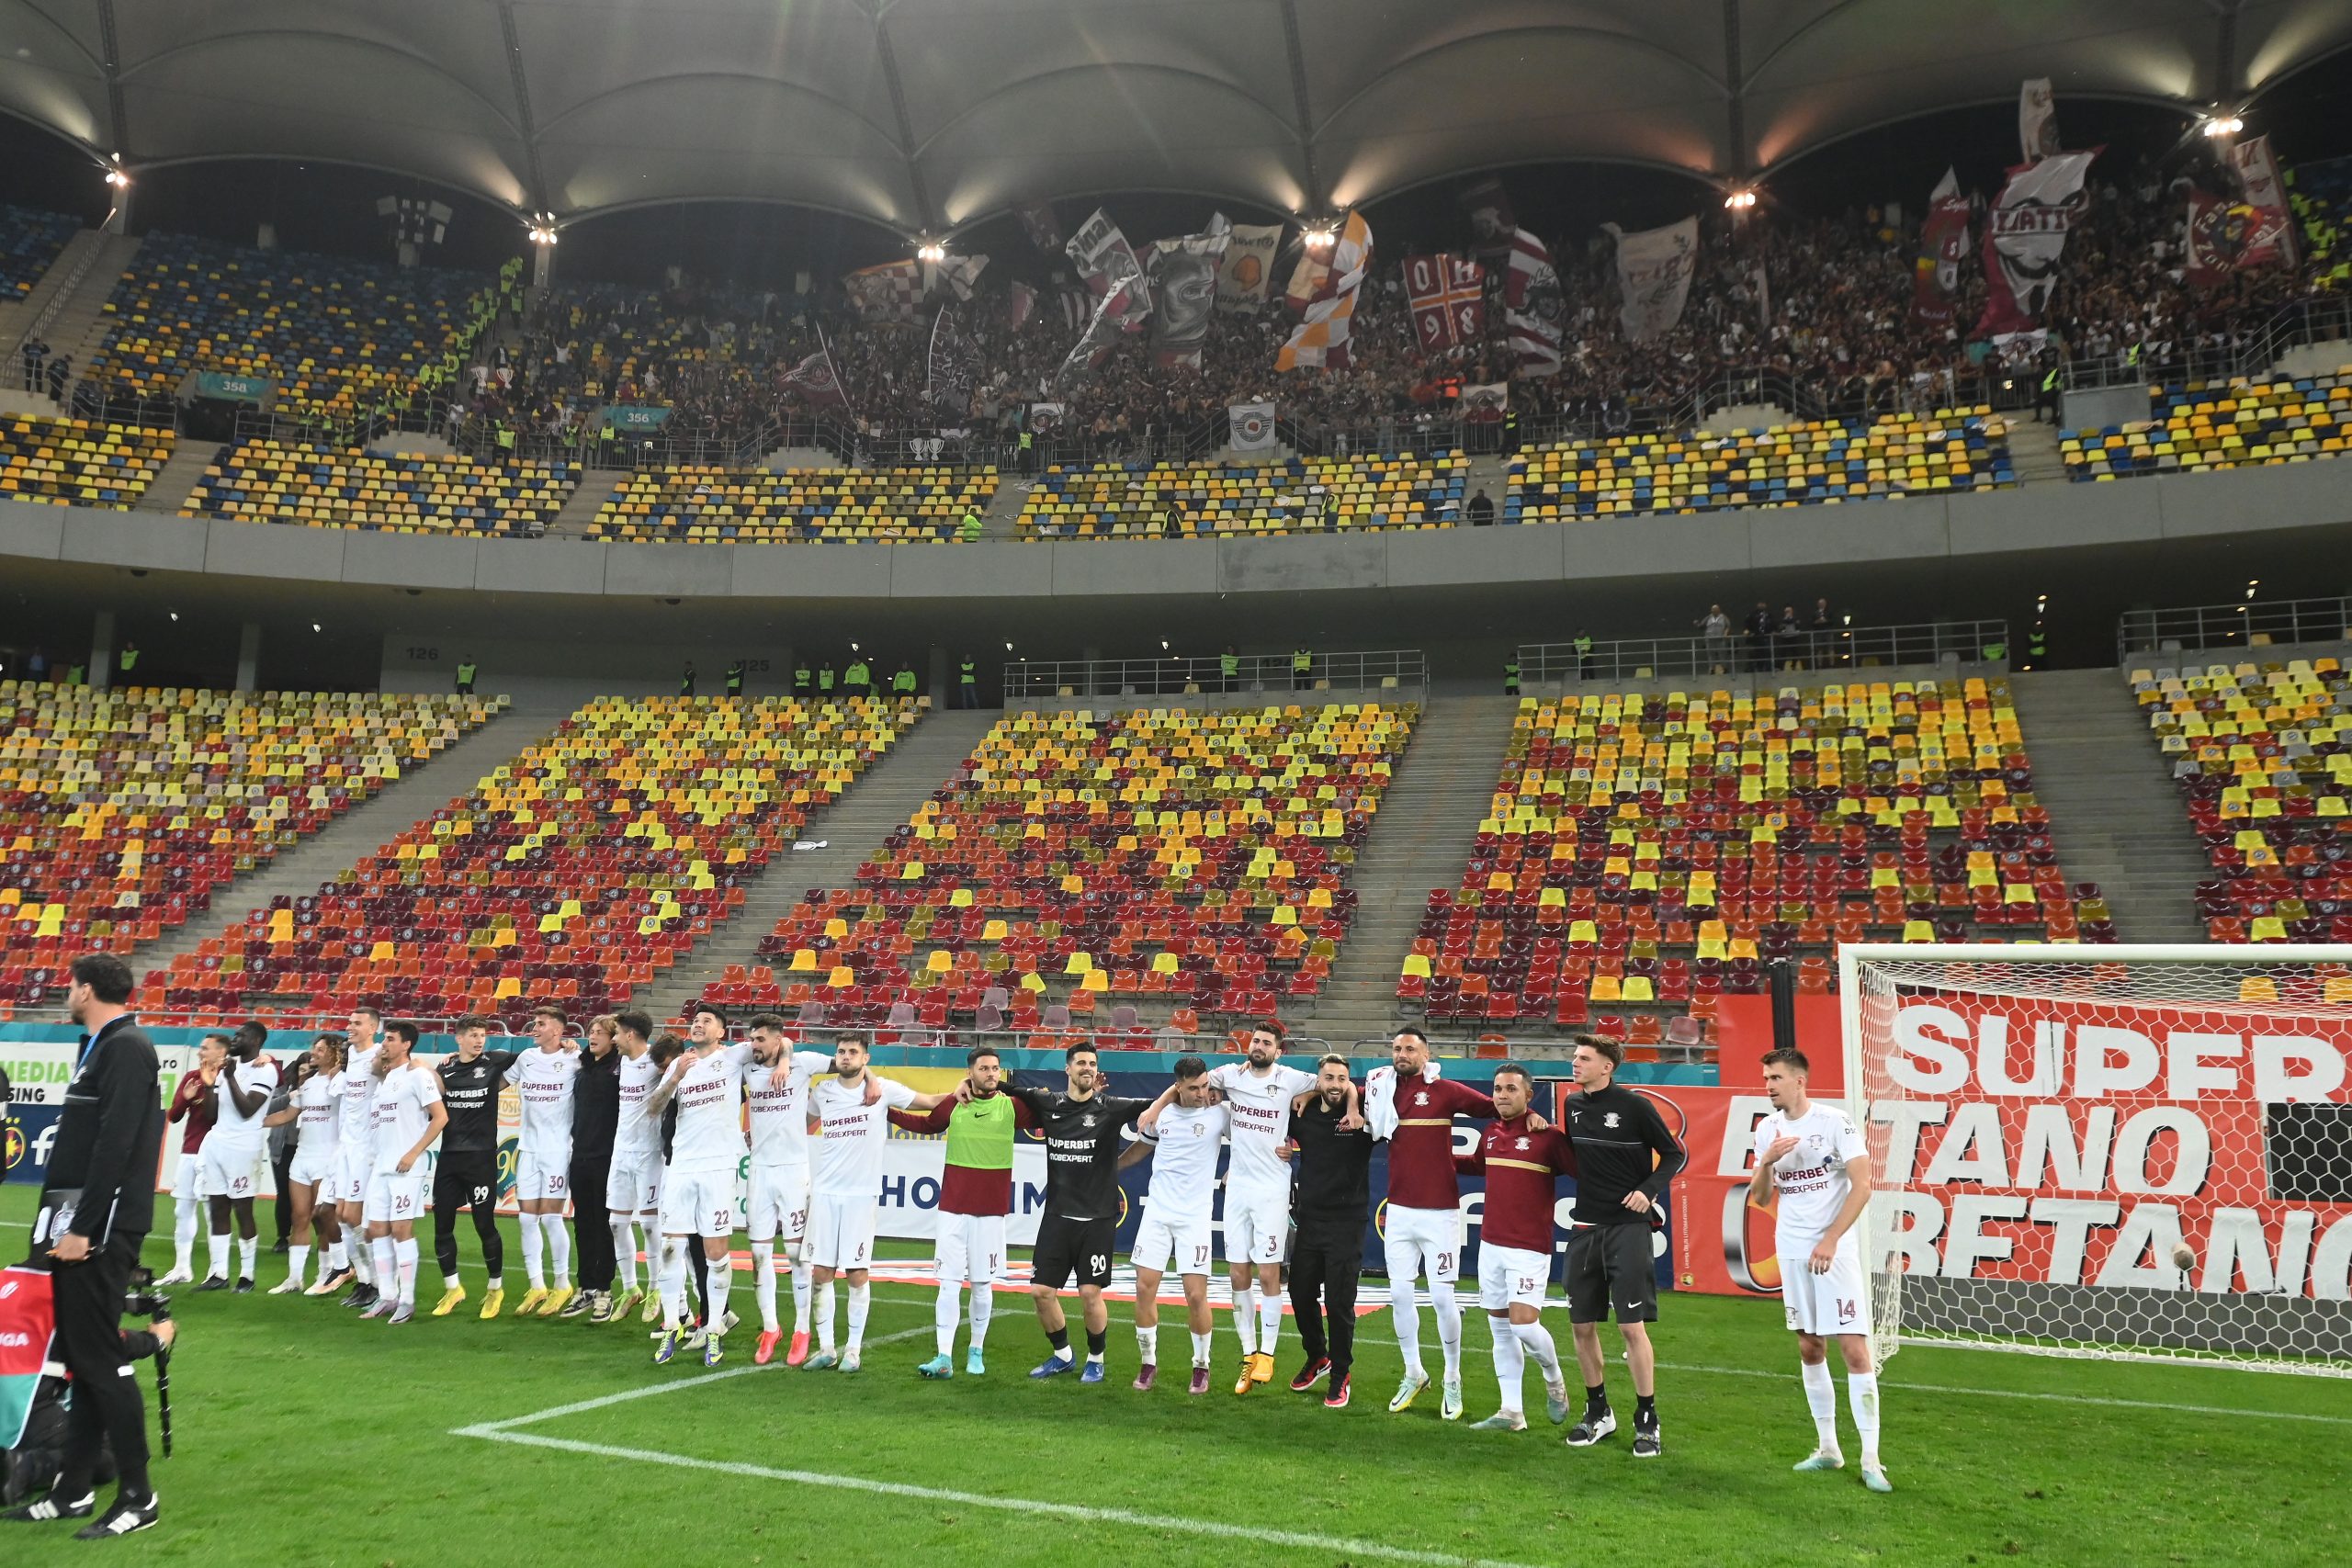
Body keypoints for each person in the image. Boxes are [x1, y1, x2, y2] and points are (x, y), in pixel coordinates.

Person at [5, 953, 164, 1537]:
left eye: (70, 987)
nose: (66, 995)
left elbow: (116, 1146)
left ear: (87, 989)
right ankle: (72, 1490)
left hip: (97, 1230)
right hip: (72, 1223)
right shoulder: (102, 1046)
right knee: (78, 1359)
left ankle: (139, 1497)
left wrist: (85, 1230)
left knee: (103, 1362)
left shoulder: (126, 1047)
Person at [1142, 1018, 1359, 1393]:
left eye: (1266, 1043)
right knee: (1237, 1275)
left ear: (1279, 1050)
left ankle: (1268, 1356)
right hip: (1237, 1188)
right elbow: (1188, 1081)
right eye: (1255, 1040)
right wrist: (1160, 1105)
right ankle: (1247, 1355)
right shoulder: (1230, 1075)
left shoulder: (1292, 1078)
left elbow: (1339, 1083)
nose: (1258, 1047)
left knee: (1269, 1274)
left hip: (1272, 1188)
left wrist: (1318, 1099)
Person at [1363, 1026, 1529, 1421]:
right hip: (1400, 1211)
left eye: (1410, 1048)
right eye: (1397, 1048)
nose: (1401, 1054)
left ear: (1426, 1053)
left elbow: (1497, 1108)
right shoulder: (1382, 1087)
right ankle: (1414, 1372)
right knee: (1400, 1296)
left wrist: (1532, 1119)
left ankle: (1453, 1378)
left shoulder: (1446, 1090)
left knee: (1441, 1297)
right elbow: (1352, 1101)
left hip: (1440, 1212)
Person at [1747, 1047, 1889, 1493]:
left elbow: (1863, 1186)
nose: (1768, 1085)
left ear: (1799, 1080)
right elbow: (1762, 1197)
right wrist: (1767, 1161)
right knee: (1810, 1348)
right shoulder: (1767, 1128)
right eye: (1766, 1078)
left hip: (1836, 1252)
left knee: (1854, 1351)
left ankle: (1871, 1459)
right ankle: (1828, 1448)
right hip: (1791, 1250)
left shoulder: (1835, 1122)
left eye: (1775, 1078)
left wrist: (1830, 1238)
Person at [1560, 1034, 1686, 1459]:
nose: (1575, 1063)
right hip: (1584, 1227)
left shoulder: (1634, 1107)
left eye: (1583, 1058)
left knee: (1631, 1328)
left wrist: (1648, 1191)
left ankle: (1647, 1419)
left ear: (1606, 1067)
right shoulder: (1571, 1106)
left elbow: (1674, 1154)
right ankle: (1598, 1411)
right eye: (1575, 1057)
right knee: (1581, 1325)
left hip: (1628, 1229)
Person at [800, 1033, 945, 1372]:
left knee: (856, 1272)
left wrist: (966, 1092)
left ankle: (852, 1350)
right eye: (841, 1051)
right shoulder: (823, 1092)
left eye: (853, 1052)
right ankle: (825, 1349)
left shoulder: (884, 1090)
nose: (846, 1056)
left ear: (866, 1059)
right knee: (820, 1272)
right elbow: (802, 1123)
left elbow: (929, 1100)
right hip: (825, 1193)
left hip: (861, 1195)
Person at [1007, 1044, 1151, 1383]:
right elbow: (1006, 1087)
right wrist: (974, 1085)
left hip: (1098, 1219)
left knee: (1090, 1293)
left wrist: (1183, 1092)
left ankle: (1096, 1359)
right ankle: (1062, 1356)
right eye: (1081, 1063)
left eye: (1092, 1063)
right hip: (1057, 1217)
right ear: (1067, 1069)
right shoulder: (1048, 1103)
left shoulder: (1111, 1108)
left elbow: (1153, 1106)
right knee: (1041, 1292)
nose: (1088, 1067)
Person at [888, 1043, 1033, 1379]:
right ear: (970, 1072)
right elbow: (926, 1125)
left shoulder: (1012, 1107)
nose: (991, 1073)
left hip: (991, 1212)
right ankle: (943, 1357)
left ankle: (976, 1351)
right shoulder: (955, 1104)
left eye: (995, 1068)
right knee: (949, 1283)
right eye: (984, 1068)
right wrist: (887, 1111)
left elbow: (1048, 1112)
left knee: (983, 1285)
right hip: (953, 1209)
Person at [1453, 1063, 1575, 1434]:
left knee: (1523, 1325)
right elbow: (1476, 1165)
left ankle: (1554, 1379)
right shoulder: (1490, 1132)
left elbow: (1585, 1170)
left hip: (1529, 1247)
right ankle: (1511, 1412)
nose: (1502, 1095)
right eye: (1498, 1089)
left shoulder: (1548, 1138)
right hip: (1491, 1243)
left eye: (1511, 1089)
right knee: (1500, 1330)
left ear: (1529, 1095)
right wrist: (1426, 1156)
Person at [1116, 1055, 1226, 1394]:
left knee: (1195, 1296)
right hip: (1158, 1214)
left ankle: (1201, 1366)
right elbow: (1140, 1151)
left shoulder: (1220, 1111)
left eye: (1205, 1085)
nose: (1202, 1093)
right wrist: (1106, 1173)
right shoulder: (1159, 1115)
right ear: (1177, 1086)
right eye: (1193, 1088)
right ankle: (1148, 1363)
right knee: (1144, 1287)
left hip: (1194, 1217)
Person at [741, 1015, 836, 1365]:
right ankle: (770, 1328)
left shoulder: (804, 1063)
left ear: (779, 1040)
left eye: (762, 1039)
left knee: (797, 1257)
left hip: (794, 1173)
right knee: (759, 1256)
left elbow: (847, 1064)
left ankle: (801, 1330)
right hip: (760, 1173)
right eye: (753, 1038)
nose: (755, 1045)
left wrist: (870, 1080)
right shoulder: (747, 1067)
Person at [1285, 1054, 1375, 1410]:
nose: (1335, 1084)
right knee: (1299, 1293)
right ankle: (1317, 1357)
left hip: (1347, 1224)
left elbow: (1375, 1088)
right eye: (1328, 1078)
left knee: (1339, 1303)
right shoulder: (1302, 1115)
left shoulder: (1362, 1119)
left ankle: (1342, 1373)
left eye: (1341, 1079)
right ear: (1317, 1081)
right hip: (1309, 1221)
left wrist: (1354, 1099)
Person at [428, 1015, 519, 1318]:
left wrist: (568, 1044)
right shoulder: (445, 1068)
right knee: (442, 1225)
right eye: (473, 1035)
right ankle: (453, 1288)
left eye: (482, 1035)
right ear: (459, 1038)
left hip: (480, 1158)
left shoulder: (496, 1061)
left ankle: (495, 1289)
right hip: (450, 1157)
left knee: (484, 1225)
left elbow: (534, 1056)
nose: (480, 1040)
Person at [360, 1022, 448, 1325]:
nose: (384, 1044)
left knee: (401, 1230)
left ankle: (407, 1300)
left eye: (390, 1039)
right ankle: (387, 1296)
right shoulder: (386, 1080)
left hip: (407, 1166)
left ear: (406, 1044)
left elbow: (440, 1117)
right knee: (376, 1230)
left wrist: (413, 1153)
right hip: (382, 1166)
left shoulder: (418, 1075)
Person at [507, 1006, 582, 1317]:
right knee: (526, 1219)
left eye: (541, 1024)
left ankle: (562, 1283)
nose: (534, 1028)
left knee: (551, 1217)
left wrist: (576, 1048)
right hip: (528, 1149)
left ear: (558, 1030)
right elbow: (497, 1081)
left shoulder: (574, 1060)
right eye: (534, 1023)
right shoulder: (525, 1059)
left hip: (557, 1151)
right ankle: (537, 1285)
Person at [194, 1021, 278, 1293]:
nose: (235, 1038)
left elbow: (248, 1110)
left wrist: (229, 1077)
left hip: (244, 1147)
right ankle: (218, 1272)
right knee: (217, 1208)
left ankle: (247, 1275)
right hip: (218, 1142)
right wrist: (209, 1086)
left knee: (242, 1209)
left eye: (241, 1035)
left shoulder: (264, 1070)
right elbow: (211, 1115)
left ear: (255, 1041)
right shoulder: (226, 1069)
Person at [261, 1035, 346, 1294]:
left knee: (322, 1217)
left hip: (327, 1156)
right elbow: (289, 1114)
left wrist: (339, 1073)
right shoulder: (307, 1083)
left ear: (334, 1053)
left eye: (320, 1049)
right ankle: (294, 1278)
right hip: (302, 1156)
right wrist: (254, 1122)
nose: (314, 1053)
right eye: (314, 1048)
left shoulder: (343, 1080)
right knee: (299, 1217)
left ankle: (324, 1276)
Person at [600, 1010, 665, 1326]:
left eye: (617, 1033)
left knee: (651, 1226)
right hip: (621, 1152)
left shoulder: (657, 1061)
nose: (612, 1039)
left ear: (630, 1035)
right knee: (616, 1223)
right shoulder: (623, 1062)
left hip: (650, 1153)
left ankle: (655, 1289)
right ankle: (630, 1289)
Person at [155, 1034, 226, 1285]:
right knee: (182, 1208)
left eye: (205, 1049)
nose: (200, 1052)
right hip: (189, 1150)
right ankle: (182, 1268)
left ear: (221, 1053)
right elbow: (173, 1117)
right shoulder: (190, 1077)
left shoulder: (230, 1077)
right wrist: (185, 1098)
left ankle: (217, 1271)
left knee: (212, 1210)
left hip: (216, 1154)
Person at [565, 1015, 621, 1320]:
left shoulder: (620, 1069)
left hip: (607, 1157)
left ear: (615, 1038)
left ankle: (604, 1289)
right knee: (582, 1224)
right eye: (592, 1031)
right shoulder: (582, 1068)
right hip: (581, 1155)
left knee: (603, 1224)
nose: (594, 1036)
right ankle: (584, 1287)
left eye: (601, 1032)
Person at [329, 1007, 383, 1306]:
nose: (350, 1027)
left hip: (366, 1147)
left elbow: (404, 1069)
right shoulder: (350, 1056)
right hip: (346, 1147)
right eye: (349, 1022)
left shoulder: (378, 1054)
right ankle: (363, 1281)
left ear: (372, 1027)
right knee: (340, 1216)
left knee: (354, 1216)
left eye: (357, 1023)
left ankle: (377, 1281)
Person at [266, 1056, 300, 1256]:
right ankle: (283, 1236)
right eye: (302, 1069)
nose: (305, 1073)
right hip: (283, 1147)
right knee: (284, 1194)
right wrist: (290, 1096)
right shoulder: (285, 1087)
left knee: (315, 1199)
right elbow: (271, 1108)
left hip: (308, 1148)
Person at [1697, 604, 1733, 674]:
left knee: (1722, 654)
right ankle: (1712, 669)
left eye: (1716, 609)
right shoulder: (1708, 617)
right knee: (1711, 654)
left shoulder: (1723, 617)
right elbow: (1701, 625)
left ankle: (1724, 668)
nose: (1714, 611)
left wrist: (1726, 633)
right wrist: (1697, 624)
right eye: (1713, 610)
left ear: (1719, 610)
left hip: (1720, 638)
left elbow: (1728, 626)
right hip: (1710, 639)